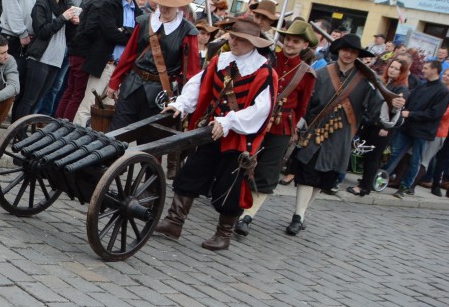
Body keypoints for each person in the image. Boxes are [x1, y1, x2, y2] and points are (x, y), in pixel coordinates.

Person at [156, 16, 277, 251]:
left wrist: (230, 121)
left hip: (238, 138)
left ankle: (224, 234)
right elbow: (198, 86)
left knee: (228, 187)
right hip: (211, 132)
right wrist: (180, 106)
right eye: (232, 37)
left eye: (240, 40)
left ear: (253, 43)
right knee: (190, 174)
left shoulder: (264, 72)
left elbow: (261, 110)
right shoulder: (220, 61)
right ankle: (173, 222)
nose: (234, 42)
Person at [286, 33, 395, 235]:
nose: (348, 54)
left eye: (353, 51)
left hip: (342, 136)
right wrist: (300, 126)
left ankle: (302, 214)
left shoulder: (366, 82)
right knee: (306, 175)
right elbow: (308, 104)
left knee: (324, 178)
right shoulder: (322, 73)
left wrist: (392, 105)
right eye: (345, 50)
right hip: (316, 131)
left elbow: (373, 112)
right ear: (338, 51)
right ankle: (298, 216)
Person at [235, 19, 318, 236]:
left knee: (266, 172)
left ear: (304, 46)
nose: (290, 44)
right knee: (242, 161)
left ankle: (247, 216)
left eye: (296, 41)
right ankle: (234, 204)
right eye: (288, 39)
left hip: (281, 127)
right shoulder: (266, 60)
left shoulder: (306, 73)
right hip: (256, 119)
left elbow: (302, 108)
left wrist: (291, 129)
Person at [106, 0, 200, 131]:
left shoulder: (188, 31)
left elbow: (192, 72)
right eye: (161, 4)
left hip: (161, 93)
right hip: (132, 85)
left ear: (178, 6)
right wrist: (114, 82)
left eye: (168, 5)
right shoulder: (144, 21)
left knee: (148, 143)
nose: (164, 8)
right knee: (116, 132)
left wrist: (183, 103)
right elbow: (129, 54)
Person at [71, 0, 139, 126]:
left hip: (122, 69)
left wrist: (124, 32)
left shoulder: (139, 12)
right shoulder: (109, 4)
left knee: (108, 110)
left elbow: (137, 41)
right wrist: (129, 35)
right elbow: (110, 33)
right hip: (105, 63)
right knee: (88, 105)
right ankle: (71, 140)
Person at [13, 0, 78, 119]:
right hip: (39, 58)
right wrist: (63, 18)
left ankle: (22, 130)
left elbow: (69, 36)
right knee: (28, 99)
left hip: (56, 59)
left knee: (36, 100)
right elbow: (42, 31)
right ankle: (17, 131)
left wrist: (74, 23)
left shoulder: (65, 4)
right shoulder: (42, 2)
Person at [383, 58, 449, 195]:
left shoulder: (443, 91)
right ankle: (381, 177)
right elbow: (410, 100)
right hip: (407, 127)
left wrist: (411, 114)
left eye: (426, 68)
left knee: (415, 160)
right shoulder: (422, 85)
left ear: (434, 70)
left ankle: (405, 187)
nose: (423, 70)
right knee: (394, 154)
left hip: (423, 131)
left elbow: (435, 113)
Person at [57, 0, 118, 122]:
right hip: (84, 52)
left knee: (70, 90)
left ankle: (57, 121)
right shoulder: (101, 1)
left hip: (77, 49)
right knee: (77, 93)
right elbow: (91, 29)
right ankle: (63, 125)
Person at [346, 57, 410, 197]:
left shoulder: (401, 88)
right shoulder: (383, 81)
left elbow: (397, 106)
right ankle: (364, 181)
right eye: (391, 67)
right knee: (362, 153)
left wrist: (386, 128)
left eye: (396, 68)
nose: (392, 70)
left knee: (373, 157)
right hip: (369, 122)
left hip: (382, 127)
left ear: (402, 72)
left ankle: (364, 187)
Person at [0, 0, 49, 110]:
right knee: (7, 84)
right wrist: (21, 33)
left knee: (25, 87)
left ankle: (15, 124)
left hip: (35, 38)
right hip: (13, 36)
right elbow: (11, 4)